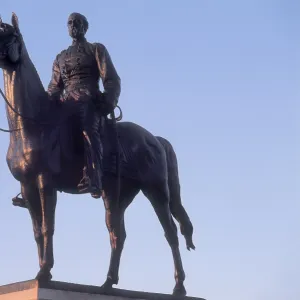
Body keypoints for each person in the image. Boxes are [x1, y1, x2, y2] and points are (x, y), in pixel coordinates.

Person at [47, 12, 121, 198]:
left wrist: (108, 100)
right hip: (66, 103)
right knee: (44, 131)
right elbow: (54, 86)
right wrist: (49, 100)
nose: (73, 26)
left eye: (77, 23)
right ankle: (36, 178)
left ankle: (94, 175)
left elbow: (111, 79)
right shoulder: (60, 57)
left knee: (88, 130)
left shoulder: (96, 49)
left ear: (84, 27)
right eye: (70, 23)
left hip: (89, 100)